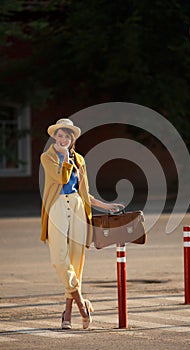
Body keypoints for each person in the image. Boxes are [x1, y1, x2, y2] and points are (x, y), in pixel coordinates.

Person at [40, 118, 124, 330]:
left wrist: (105, 206)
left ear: (72, 139)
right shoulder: (47, 157)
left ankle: (67, 314)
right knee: (59, 259)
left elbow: (84, 192)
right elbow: (60, 178)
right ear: (54, 136)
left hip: (77, 207)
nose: (63, 139)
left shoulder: (80, 159)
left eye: (67, 136)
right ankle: (81, 305)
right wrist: (66, 158)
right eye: (60, 135)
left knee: (76, 261)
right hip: (57, 207)